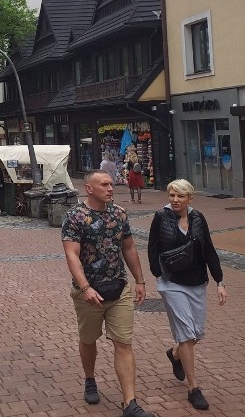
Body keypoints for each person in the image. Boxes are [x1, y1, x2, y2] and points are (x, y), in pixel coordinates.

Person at [61, 170, 153, 417]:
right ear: (89, 188)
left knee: (123, 343)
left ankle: (129, 404)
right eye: (104, 184)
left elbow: (129, 247)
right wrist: (85, 287)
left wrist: (140, 280)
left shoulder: (119, 213)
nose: (111, 188)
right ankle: (90, 378)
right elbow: (72, 254)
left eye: (112, 184)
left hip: (119, 288)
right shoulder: (75, 216)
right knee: (89, 340)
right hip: (88, 292)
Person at [148, 179, 226, 411]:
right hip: (172, 283)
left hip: (197, 282)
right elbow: (153, 247)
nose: (175, 200)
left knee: (197, 334)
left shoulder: (198, 218)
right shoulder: (161, 217)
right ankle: (193, 387)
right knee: (186, 334)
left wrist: (219, 281)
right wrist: (158, 274)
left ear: (190, 198)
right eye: (172, 195)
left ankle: (175, 354)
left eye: (180, 196)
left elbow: (208, 249)